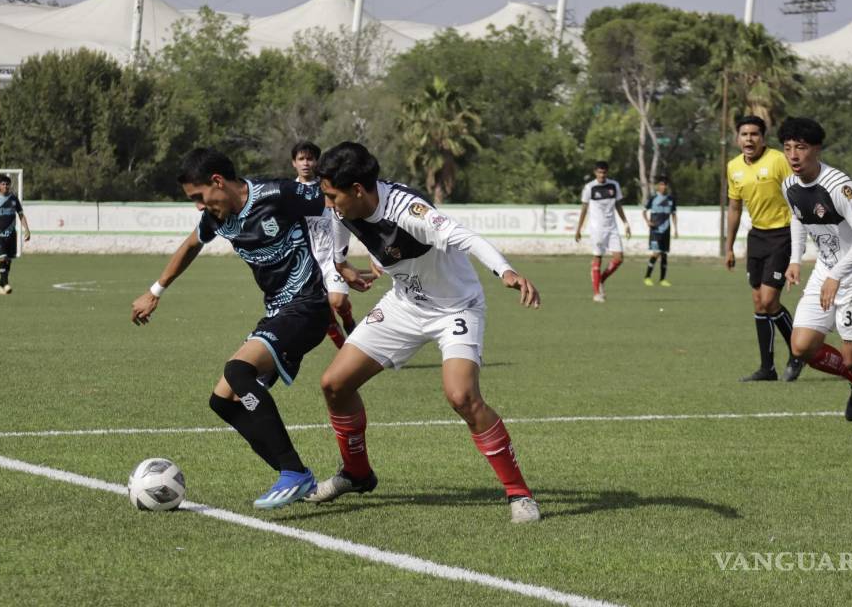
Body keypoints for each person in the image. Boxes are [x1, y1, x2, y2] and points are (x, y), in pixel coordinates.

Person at [306, 142, 543, 524]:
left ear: (358, 190)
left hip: (455, 308)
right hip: (405, 304)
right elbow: (337, 225)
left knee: (462, 396)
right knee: (335, 384)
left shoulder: (408, 212)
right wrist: (340, 263)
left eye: (333, 195)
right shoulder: (344, 205)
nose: (328, 203)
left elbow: (465, 236)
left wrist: (506, 271)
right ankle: (357, 474)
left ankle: (519, 494)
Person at [130, 146, 334, 509]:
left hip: (308, 308)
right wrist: (155, 290)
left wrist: (347, 262)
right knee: (223, 400)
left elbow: (337, 200)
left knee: (238, 371)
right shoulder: (217, 218)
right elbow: (191, 245)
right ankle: (298, 475)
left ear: (218, 181)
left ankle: (293, 472)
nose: (198, 206)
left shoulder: (278, 194)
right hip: (278, 314)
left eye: (198, 196)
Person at [779, 118, 852, 434]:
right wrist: (795, 260)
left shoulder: (837, 185)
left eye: (800, 148)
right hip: (825, 272)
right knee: (801, 347)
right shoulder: (789, 185)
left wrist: (838, 275)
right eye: (788, 148)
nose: (793, 156)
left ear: (816, 149)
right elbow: (797, 218)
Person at [724, 115, 805, 382]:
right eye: (744, 134)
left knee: (770, 300)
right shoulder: (733, 167)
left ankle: (798, 352)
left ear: (763, 138)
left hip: (783, 235)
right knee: (759, 302)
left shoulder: (778, 160)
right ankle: (767, 368)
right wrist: (729, 247)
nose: (749, 139)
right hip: (756, 236)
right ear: (738, 139)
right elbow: (735, 208)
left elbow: (797, 193)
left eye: (755, 134)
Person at [291, 140, 358, 348]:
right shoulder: (289, 192)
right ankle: (346, 351)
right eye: (301, 159)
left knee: (337, 301)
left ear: (317, 161)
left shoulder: (328, 186)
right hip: (307, 261)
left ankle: (347, 318)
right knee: (323, 313)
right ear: (294, 163)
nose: (306, 163)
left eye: (310, 158)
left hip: (332, 258)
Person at [574, 161, 631, 302]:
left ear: (607, 172)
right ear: (595, 172)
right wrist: (579, 228)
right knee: (598, 257)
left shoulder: (614, 185)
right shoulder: (589, 188)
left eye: (604, 172)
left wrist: (625, 222)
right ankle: (596, 293)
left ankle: (601, 280)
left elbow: (618, 204)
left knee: (619, 258)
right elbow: (584, 208)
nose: (602, 175)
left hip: (612, 228)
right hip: (596, 229)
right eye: (599, 172)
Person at [0, 175, 31, 295]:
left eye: (7, 184)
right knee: (2, 258)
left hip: (11, 235)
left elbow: (21, 215)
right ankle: (7, 284)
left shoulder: (14, 199)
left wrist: (27, 229)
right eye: (3, 184)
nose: (5, 186)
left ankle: (0, 286)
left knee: (8, 261)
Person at [642, 176, 678, 286]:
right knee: (656, 253)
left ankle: (662, 279)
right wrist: (648, 221)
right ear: (658, 186)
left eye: (665, 184)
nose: (663, 187)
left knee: (664, 254)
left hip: (666, 230)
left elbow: (674, 214)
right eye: (661, 184)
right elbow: (644, 211)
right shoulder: (653, 198)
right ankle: (647, 277)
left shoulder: (671, 199)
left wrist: (676, 229)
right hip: (655, 230)